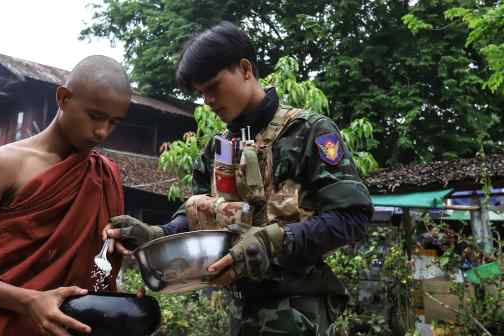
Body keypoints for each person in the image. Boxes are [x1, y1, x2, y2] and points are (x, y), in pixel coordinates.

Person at [105, 22, 373, 335]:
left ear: (245, 69)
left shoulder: (309, 131)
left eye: (213, 87)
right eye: (200, 93)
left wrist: (272, 241)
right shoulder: (218, 147)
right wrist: (156, 235)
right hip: (241, 312)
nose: (207, 101)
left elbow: (352, 216)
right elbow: (197, 217)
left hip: (300, 312)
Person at [0, 55, 131, 336]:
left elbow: (99, 264)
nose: (101, 131)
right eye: (95, 116)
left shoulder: (106, 174)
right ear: (63, 98)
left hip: (79, 327)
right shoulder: (2, 164)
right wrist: (29, 301)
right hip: (7, 324)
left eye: (114, 122)